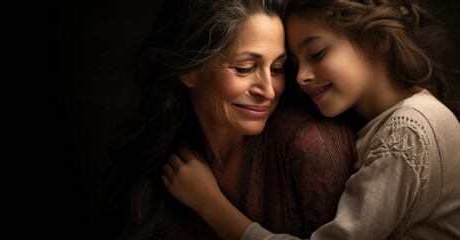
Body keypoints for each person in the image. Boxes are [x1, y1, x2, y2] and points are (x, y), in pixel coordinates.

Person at [162, 0, 460, 239]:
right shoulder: (399, 123)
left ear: (376, 41)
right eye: (292, 65)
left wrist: (209, 204)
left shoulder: (408, 134)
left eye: (316, 53)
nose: (301, 77)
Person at [97, 0, 358, 239]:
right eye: (244, 68)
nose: (268, 91)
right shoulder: (168, 153)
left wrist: (209, 205)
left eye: (277, 68)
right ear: (189, 72)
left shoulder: (310, 146)